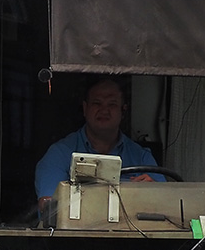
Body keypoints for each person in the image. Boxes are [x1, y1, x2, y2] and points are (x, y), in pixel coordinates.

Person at [35, 77, 163, 214]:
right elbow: (49, 207)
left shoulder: (142, 157)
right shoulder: (59, 154)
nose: (104, 110)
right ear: (85, 108)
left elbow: (167, 206)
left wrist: (153, 193)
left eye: (112, 104)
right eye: (97, 103)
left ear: (123, 111)